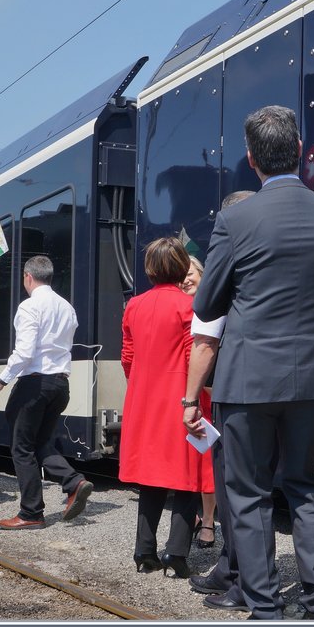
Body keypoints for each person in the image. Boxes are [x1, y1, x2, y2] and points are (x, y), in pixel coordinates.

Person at [185, 105, 314, 620]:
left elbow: (207, 304)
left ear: (252, 159)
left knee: (250, 493)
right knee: (305, 484)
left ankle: (265, 606)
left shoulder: (235, 220)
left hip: (250, 376)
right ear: (299, 152)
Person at [119, 237, 211, 579]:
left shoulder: (134, 306)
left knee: (150, 478)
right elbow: (193, 356)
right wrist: (195, 397)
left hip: (142, 397)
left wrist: (142, 384)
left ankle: (144, 551)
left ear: (149, 269)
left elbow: (128, 357)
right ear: (179, 268)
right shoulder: (189, 306)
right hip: (180, 395)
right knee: (187, 476)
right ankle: (176, 554)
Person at [183, 191, 256, 614]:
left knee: (237, 491)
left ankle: (242, 577)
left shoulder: (231, 269)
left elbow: (206, 339)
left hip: (236, 390)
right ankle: (229, 566)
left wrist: (189, 399)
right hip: (266, 388)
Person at [0, 255, 93, 530]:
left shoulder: (29, 307)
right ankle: (73, 481)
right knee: (40, 443)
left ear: (27, 277)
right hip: (60, 385)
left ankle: (31, 513)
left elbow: (24, 352)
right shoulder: (67, 308)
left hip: (34, 385)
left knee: (21, 448)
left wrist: (0, 382)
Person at [181, 255, 218, 548]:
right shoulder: (180, 307)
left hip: (206, 393)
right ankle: (189, 517)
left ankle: (208, 521)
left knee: (207, 462)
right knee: (186, 460)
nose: (186, 279)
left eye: (191, 273)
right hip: (183, 394)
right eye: (181, 274)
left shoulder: (210, 304)